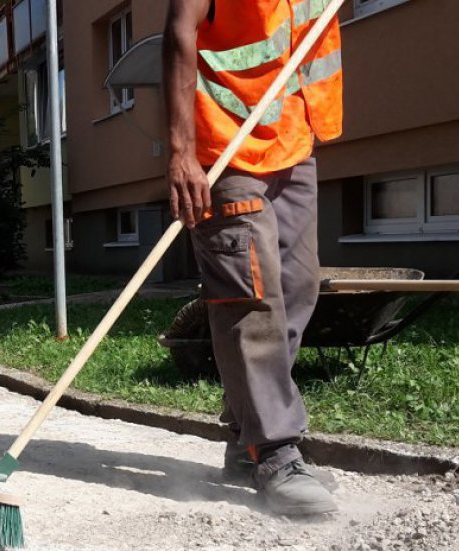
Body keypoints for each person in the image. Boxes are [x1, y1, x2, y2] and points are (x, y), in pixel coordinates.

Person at [162, 0, 343, 515]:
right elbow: (179, 30)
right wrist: (181, 152)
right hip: (225, 146)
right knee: (250, 297)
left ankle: (247, 441)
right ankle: (275, 449)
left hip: (293, 137)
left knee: (299, 287)